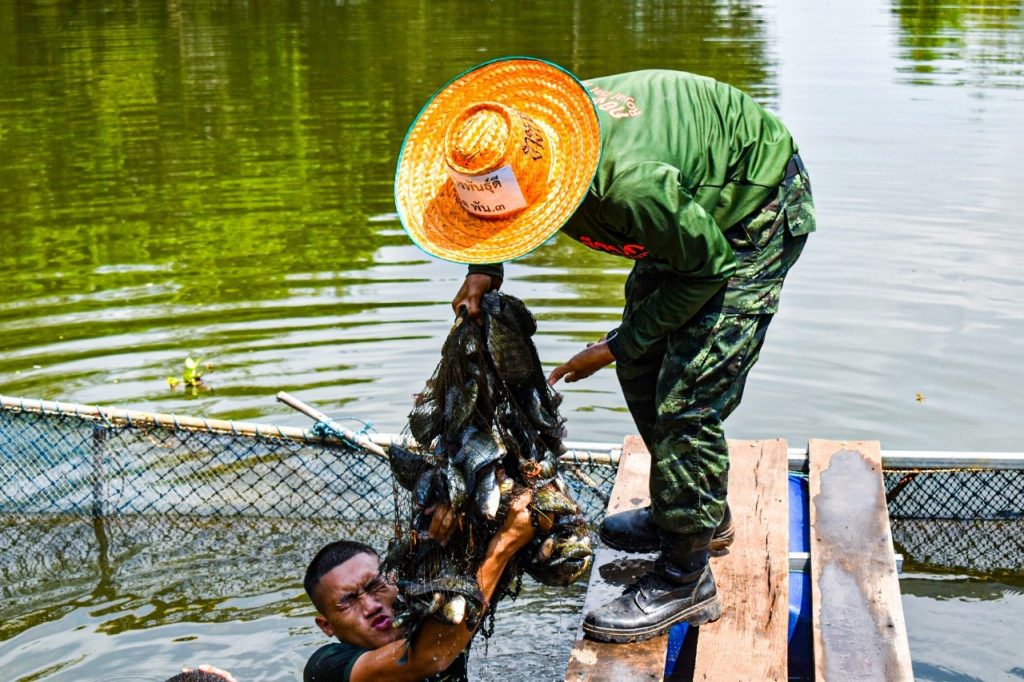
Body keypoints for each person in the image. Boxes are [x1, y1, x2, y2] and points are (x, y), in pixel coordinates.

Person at [394, 57, 815, 644]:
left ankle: (686, 578)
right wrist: (484, 268)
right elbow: (491, 205)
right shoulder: (514, 141)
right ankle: (697, 515)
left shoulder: (629, 188)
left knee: (686, 400)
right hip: (683, 215)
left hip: (749, 214)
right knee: (644, 367)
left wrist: (617, 343)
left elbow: (708, 269)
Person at [302, 493, 535, 681]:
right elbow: (428, 657)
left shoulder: (432, 608)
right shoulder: (326, 667)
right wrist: (506, 543)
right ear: (326, 626)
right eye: (349, 601)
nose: (371, 607)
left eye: (375, 586)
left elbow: (482, 573)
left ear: (393, 580)